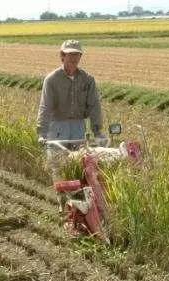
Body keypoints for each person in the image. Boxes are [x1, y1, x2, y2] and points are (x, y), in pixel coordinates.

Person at [37, 39, 106, 182]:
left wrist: (98, 132)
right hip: (57, 127)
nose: (74, 58)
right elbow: (46, 106)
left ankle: (79, 198)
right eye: (70, 54)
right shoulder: (52, 80)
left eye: (77, 54)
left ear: (80, 57)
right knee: (58, 165)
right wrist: (42, 133)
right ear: (62, 56)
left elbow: (94, 106)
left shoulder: (87, 79)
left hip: (78, 127)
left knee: (80, 165)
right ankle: (61, 197)